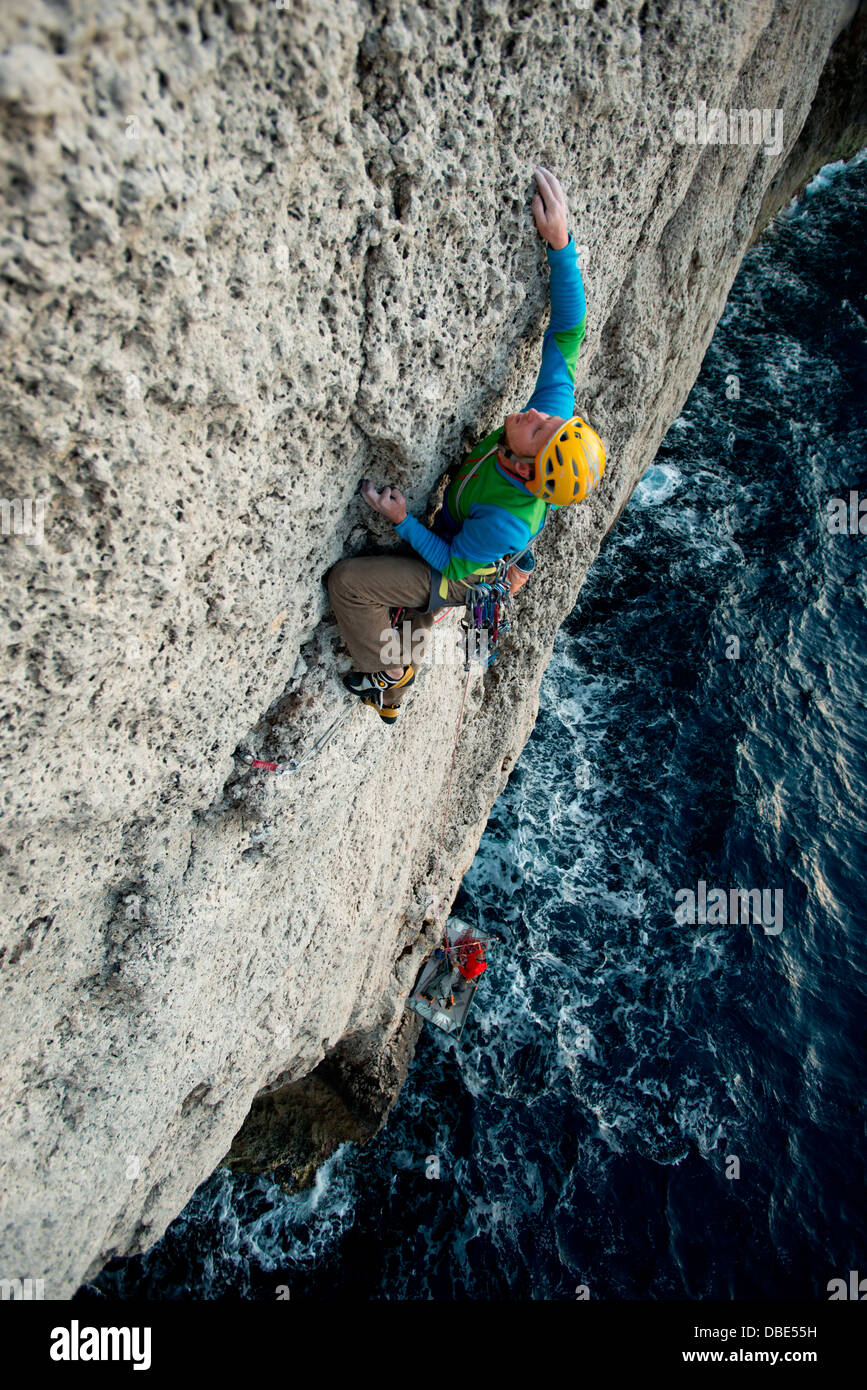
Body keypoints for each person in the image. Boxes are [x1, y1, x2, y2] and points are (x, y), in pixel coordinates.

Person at [327, 167, 605, 724]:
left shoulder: (507, 516)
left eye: (540, 431)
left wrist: (405, 521)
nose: (535, 415)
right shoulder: (548, 426)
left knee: (352, 586)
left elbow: (453, 566)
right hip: (478, 543)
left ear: (528, 474)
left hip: (462, 565)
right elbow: (567, 333)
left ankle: (388, 672)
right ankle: (398, 681)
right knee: (413, 610)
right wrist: (561, 245)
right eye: (551, 421)